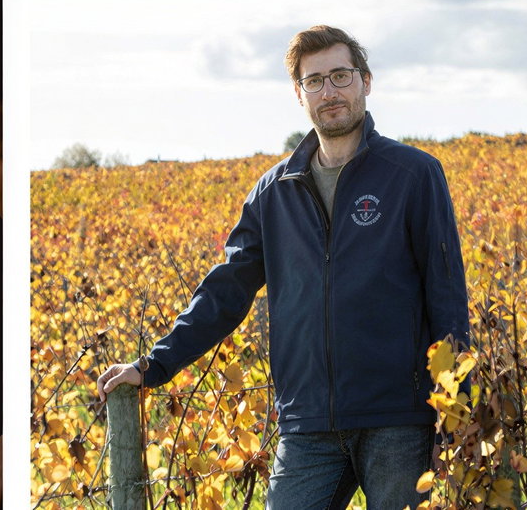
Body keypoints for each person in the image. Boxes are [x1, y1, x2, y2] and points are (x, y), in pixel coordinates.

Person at [95, 25, 470, 509]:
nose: (329, 92)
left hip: (398, 418)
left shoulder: (413, 174)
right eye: (315, 81)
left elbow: (446, 293)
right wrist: (155, 364)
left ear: (366, 81)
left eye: (341, 76)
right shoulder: (273, 193)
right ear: (298, 93)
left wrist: (458, 400)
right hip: (307, 424)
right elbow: (225, 291)